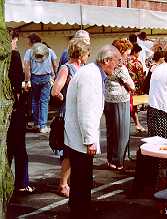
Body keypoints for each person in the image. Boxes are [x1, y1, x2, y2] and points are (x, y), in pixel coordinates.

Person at [64, 45, 121, 218]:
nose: (118, 66)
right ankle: (80, 211)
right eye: (117, 62)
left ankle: (80, 207)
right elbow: (86, 110)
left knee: (82, 177)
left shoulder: (92, 72)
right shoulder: (91, 75)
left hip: (78, 135)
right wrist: (90, 140)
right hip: (80, 137)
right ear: (106, 61)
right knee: (82, 177)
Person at [133, 45, 167, 192]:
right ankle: (164, 185)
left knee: (155, 147)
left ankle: (152, 183)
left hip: (153, 111)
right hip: (166, 113)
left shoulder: (158, 68)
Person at [51, 38, 91, 197]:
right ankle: (63, 184)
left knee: (78, 150)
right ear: (81, 53)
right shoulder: (66, 68)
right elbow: (55, 91)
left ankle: (70, 181)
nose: (89, 55)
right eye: (87, 53)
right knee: (69, 152)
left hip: (80, 114)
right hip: (68, 116)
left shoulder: (84, 68)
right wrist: (62, 96)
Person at [7, 30, 35, 194]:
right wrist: (23, 91)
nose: (15, 44)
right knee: (19, 148)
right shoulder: (14, 55)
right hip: (14, 108)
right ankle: (22, 182)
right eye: (15, 41)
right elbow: (18, 80)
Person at [104, 39, 135, 170]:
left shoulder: (106, 63)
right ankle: (118, 161)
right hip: (121, 100)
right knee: (122, 133)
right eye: (127, 54)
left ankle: (111, 159)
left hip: (108, 99)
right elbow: (131, 86)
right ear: (121, 52)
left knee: (111, 131)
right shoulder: (121, 67)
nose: (128, 56)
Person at [23, 33, 58, 133]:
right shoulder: (49, 50)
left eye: (29, 41)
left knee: (35, 100)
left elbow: (27, 67)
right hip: (46, 78)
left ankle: (36, 123)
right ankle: (43, 126)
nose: (28, 44)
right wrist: (55, 76)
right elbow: (55, 64)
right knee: (44, 101)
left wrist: (26, 80)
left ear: (33, 41)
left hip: (34, 78)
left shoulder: (29, 52)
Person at [127, 44, 146, 132]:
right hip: (134, 87)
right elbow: (141, 77)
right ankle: (137, 124)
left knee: (128, 107)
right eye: (138, 52)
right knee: (133, 106)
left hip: (125, 87)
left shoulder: (124, 60)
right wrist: (143, 88)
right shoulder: (137, 63)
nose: (139, 55)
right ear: (135, 52)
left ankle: (136, 124)